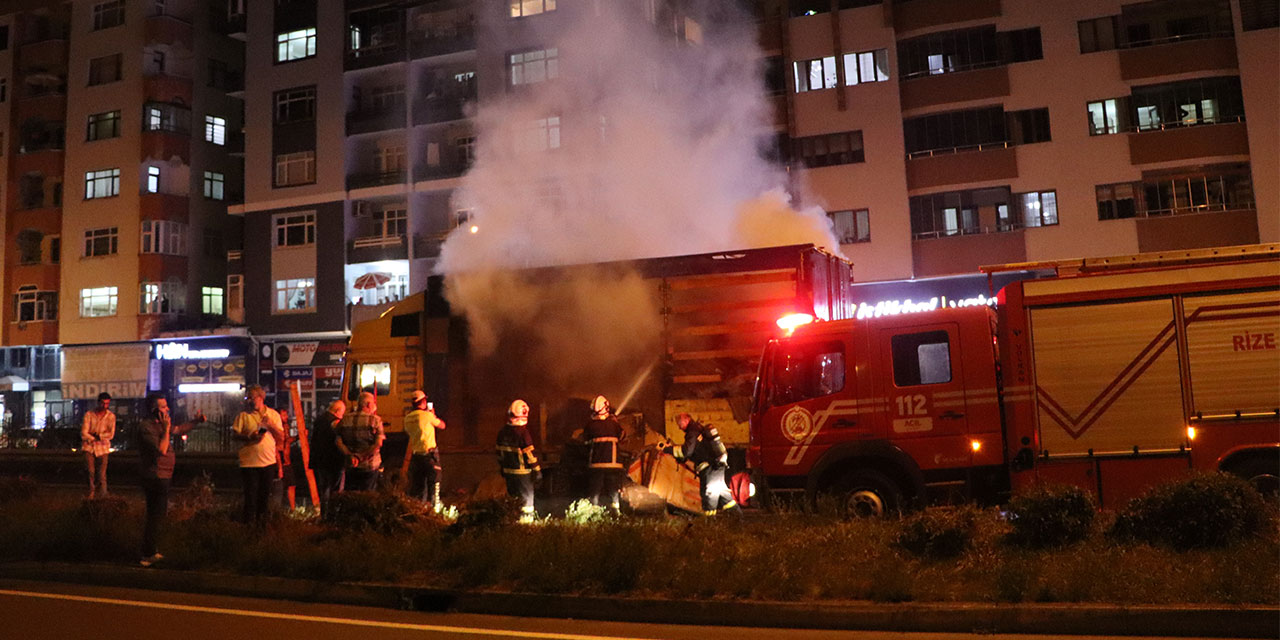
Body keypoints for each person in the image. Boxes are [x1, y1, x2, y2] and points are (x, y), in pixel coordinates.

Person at [136, 394, 202, 567]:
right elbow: (162, 450)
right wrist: (166, 430)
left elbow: (179, 430)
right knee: (155, 515)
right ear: (154, 410)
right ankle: (147, 553)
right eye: (163, 407)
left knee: (159, 514)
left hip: (164, 475)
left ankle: (151, 550)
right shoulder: (146, 427)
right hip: (155, 476)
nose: (168, 409)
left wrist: (195, 422)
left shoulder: (160, 425)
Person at [232, 385, 285, 526]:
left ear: (261, 398)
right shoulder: (243, 415)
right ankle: (248, 528)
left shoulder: (273, 415)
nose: (249, 401)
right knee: (250, 498)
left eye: (251, 397)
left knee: (264, 499)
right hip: (249, 463)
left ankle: (262, 529)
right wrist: (250, 437)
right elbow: (234, 436)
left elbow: (281, 437)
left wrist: (271, 425)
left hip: (268, 463)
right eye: (247, 398)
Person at [670, 412, 740, 516]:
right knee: (723, 494)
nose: (679, 427)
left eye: (679, 424)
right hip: (717, 466)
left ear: (686, 419)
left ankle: (709, 524)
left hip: (710, 468)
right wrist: (683, 460)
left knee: (709, 494)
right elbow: (697, 451)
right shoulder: (698, 430)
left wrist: (669, 450)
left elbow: (687, 451)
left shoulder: (692, 432)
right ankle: (738, 518)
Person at [496, 399, 540, 522]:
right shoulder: (523, 433)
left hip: (509, 473)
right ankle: (527, 526)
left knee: (513, 500)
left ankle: (513, 523)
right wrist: (537, 470)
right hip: (523, 474)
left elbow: (499, 454)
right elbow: (529, 455)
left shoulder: (502, 432)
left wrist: (502, 468)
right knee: (527, 502)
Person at [404, 390, 446, 510]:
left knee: (418, 486)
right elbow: (442, 425)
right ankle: (435, 511)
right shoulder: (427, 416)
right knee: (434, 484)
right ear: (423, 402)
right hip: (430, 455)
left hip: (416, 456)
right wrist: (433, 415)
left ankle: (418, 511)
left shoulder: (407, 419)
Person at [335, 392, 385, 492]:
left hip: (351, 465)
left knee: (352, 496)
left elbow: (338, 442)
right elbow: (378, 443)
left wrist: (351, 455)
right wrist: (361, 456)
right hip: (369, 465)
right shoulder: (375, 420)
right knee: (368, 496)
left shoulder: (345, 419)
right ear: (369, 404)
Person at [582, 395, 624, 511]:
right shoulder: (614, 424)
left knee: (595, 490)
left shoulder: (590, 425)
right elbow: (622, 436)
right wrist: (616, 421)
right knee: (613, 490)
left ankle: (594, 512)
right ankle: (616, 512)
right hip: (613, 464)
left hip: (596, 464)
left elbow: (585, 441)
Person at [310, 400, 346, 512]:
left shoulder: (319, 420)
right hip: (333, 460)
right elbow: (338, 440)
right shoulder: (334, 422)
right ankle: (332, 514)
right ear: (337, 411)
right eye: (342, 413)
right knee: (334, 489)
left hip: (319, 460)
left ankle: (324, 513)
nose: (342, 416)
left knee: (324, 488)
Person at [80, 392, 116, 499]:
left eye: (107, 404)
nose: (105, 406)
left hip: (103, 448)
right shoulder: (89, 415)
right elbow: (84, 433)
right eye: (103, 403)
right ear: (98, 403)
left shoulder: (111, 416)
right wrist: (95, 438)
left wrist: (98, 436)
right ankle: (90, 493)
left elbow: (111, 434)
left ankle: (103, 495)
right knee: (90, 471)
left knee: (102, 474)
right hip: (89, 447)